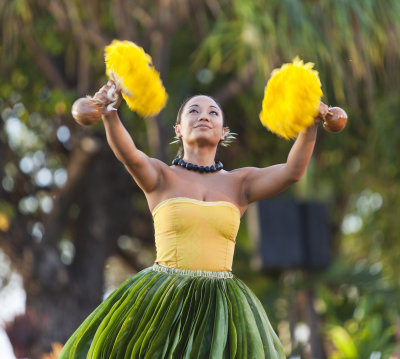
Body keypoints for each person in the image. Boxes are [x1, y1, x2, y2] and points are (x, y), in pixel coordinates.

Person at [59, 80, 327, 359]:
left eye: (213, 113)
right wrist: (111, 112)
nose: (203, 116)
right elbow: (130, 155)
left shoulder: (240, 183)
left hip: (221, 307)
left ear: (224, 132)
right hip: (164, 300)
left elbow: (292, 172)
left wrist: (310, 126)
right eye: (193, 111)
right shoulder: (161, 177)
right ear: (178, 130)